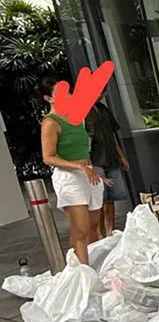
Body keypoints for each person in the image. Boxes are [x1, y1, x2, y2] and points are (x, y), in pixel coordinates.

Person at [38, 76, 103, 266]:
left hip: (87, 173)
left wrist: (89, 168)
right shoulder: (50, 123)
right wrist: (79, 167)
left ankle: (97, 269)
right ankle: (83, 274)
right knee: (80, 230)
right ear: (49, 98)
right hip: (69, 176)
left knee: (93, 228)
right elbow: (48, 157)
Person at [86, 97, 128, 238]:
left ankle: (110, 229)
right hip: (95, 159)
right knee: (99, 198)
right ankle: (99, 233)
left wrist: (121, 155)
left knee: (111, 197)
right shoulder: (82, 111)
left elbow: (112, 134)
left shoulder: (103, 109)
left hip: (110, 156)